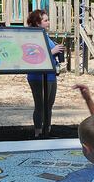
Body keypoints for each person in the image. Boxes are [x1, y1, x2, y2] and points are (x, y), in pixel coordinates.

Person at [27, 9, 65, 138]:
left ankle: (47, 131)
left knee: (49, 105)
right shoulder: (32, 36)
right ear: (37, 23)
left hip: (50, 74)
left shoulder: (45, 35)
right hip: (38, 76)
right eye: (45, 20)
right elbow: (32, 56)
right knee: (40, 105)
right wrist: (53, 51)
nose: (48, 22)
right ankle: (37, 133)